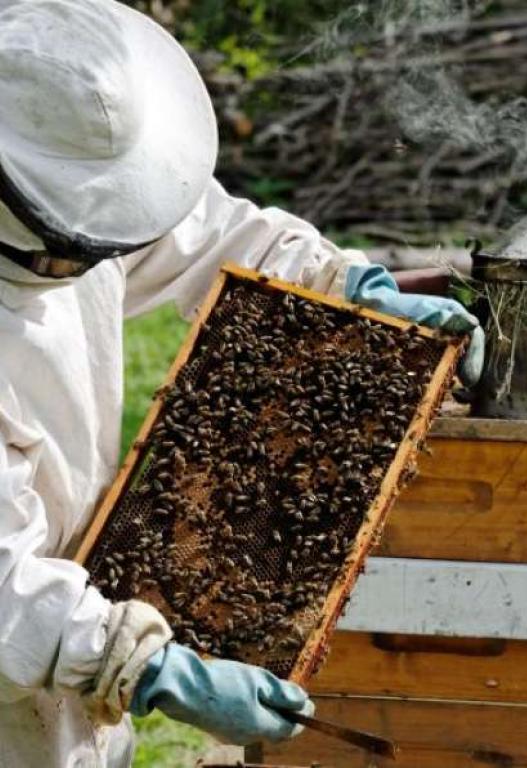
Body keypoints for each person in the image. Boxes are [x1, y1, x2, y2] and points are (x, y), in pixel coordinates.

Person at [0, 1, 485, 765]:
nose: (87, 260)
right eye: (67, 246)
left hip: (55, 692)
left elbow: (198, 232)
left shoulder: (52, 178)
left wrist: (346, 285)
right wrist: (140, 662)